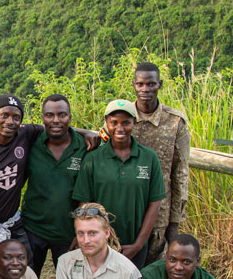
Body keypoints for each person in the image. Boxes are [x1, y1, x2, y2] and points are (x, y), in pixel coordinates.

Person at [71, 99, 165, 270]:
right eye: (114, 123)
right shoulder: (93, 158)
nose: (120, 128)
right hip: (100, 244)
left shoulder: (149, 158)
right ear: (106, 122)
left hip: (135, 244)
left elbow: (154, 204)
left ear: (134, 123)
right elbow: (84, 202)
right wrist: (89, 238)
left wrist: (138, 245)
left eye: (126, 123)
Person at [22, 94, 92, 278]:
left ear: (70, 117)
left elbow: (86, 193)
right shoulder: (32, 142)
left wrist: (82, 231)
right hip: (33, 228)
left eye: (62, 115)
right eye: (49, 115)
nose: (56, 120)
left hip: (68, 232)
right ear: (42, 117)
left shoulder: (85, 147)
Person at [0, 93, 42, 276]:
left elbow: (55, 127)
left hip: (12, 221)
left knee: (26, 268)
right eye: (4, 115)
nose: (10, 122)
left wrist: (88, 133)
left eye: (16, 117)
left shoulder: (24, 135)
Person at [131, 62, 190, 263]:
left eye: (151, 84)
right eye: (140, 84)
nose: (145, 89)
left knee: (151, 268)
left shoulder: (175, 122)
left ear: (160, 85)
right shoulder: (121, 117)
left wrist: (174, 223)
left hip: (159, 213)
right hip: (126, 209)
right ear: (134, 85)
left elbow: (180, 174)